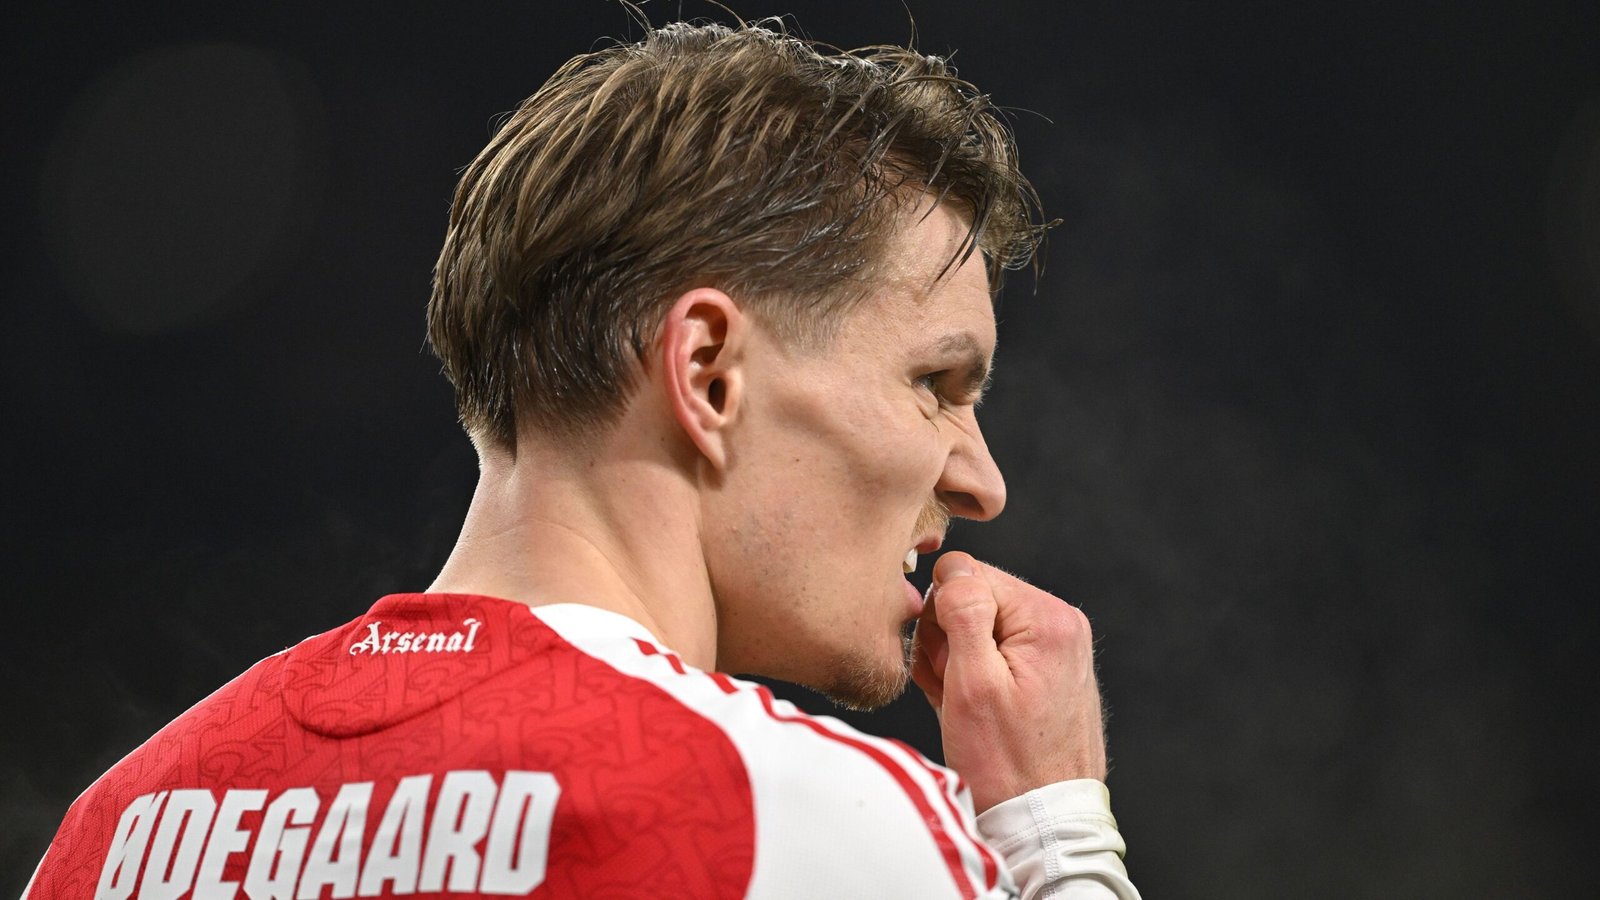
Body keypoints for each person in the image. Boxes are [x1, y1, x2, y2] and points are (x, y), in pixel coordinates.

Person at [26, 19, 1139, 899]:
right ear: (707, 373)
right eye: (936, 385)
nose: (980, 480)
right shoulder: (789, 818)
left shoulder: (113, 830)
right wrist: (1052, 835)